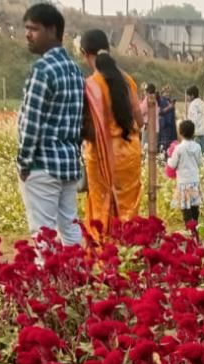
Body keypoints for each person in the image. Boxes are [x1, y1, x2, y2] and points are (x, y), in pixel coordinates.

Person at [18, 3, 85, 250]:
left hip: (42, 165)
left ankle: (49, 285)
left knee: (44, 234)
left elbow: (30, 123)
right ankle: (75, 279)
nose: (28, 34)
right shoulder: (75, 70)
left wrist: (24, 163)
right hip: (68, 163)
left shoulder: (43, 70)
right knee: (69, 228)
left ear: (52, 30)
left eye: (33, 29)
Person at [79, 28, 143, 248]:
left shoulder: (91, 84)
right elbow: (139, 118)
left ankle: (104, 257)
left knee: (102, 206)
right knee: (128, 208)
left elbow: (87, 125)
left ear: (84, 53)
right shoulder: (127, 80)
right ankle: (130, 252)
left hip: (102, 155)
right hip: (130, 151)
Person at [167, 119, 203, 225]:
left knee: (186, 210)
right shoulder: (197, 147)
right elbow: (200, 162)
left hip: (183, 183)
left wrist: (168, 160)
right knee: (194, 208)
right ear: (193, 132)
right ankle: (195, 227)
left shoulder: (178, 148)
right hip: (194, 181)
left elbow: (172, 164)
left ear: (180, 133)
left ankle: (189, 229)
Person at [185, 85, 204, 156]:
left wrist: (190, 132)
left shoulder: (193, 105)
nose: (187, 98)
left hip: (195, 133)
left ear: (192, 95)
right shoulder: (202, 102)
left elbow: (193, 120)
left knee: (195, 155)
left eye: (188, 96)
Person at [139, 82, 159, 154]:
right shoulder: (155, 99)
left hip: (147, 127)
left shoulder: (147, 99)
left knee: (145, 147)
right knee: (153, 149)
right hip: (155, 127)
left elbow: (140, 111)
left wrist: (140, 102)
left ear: (147, 91)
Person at [157, 84, 177, 150]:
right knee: (165, 142)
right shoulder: (161, 101)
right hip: (165, 124)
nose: (168, 94)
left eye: (169, 92)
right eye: (166, 92)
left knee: (171, 141)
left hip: (171, 124)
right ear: (162, 93)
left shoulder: (169, 101)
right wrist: (169, 107)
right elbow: (160, 112)